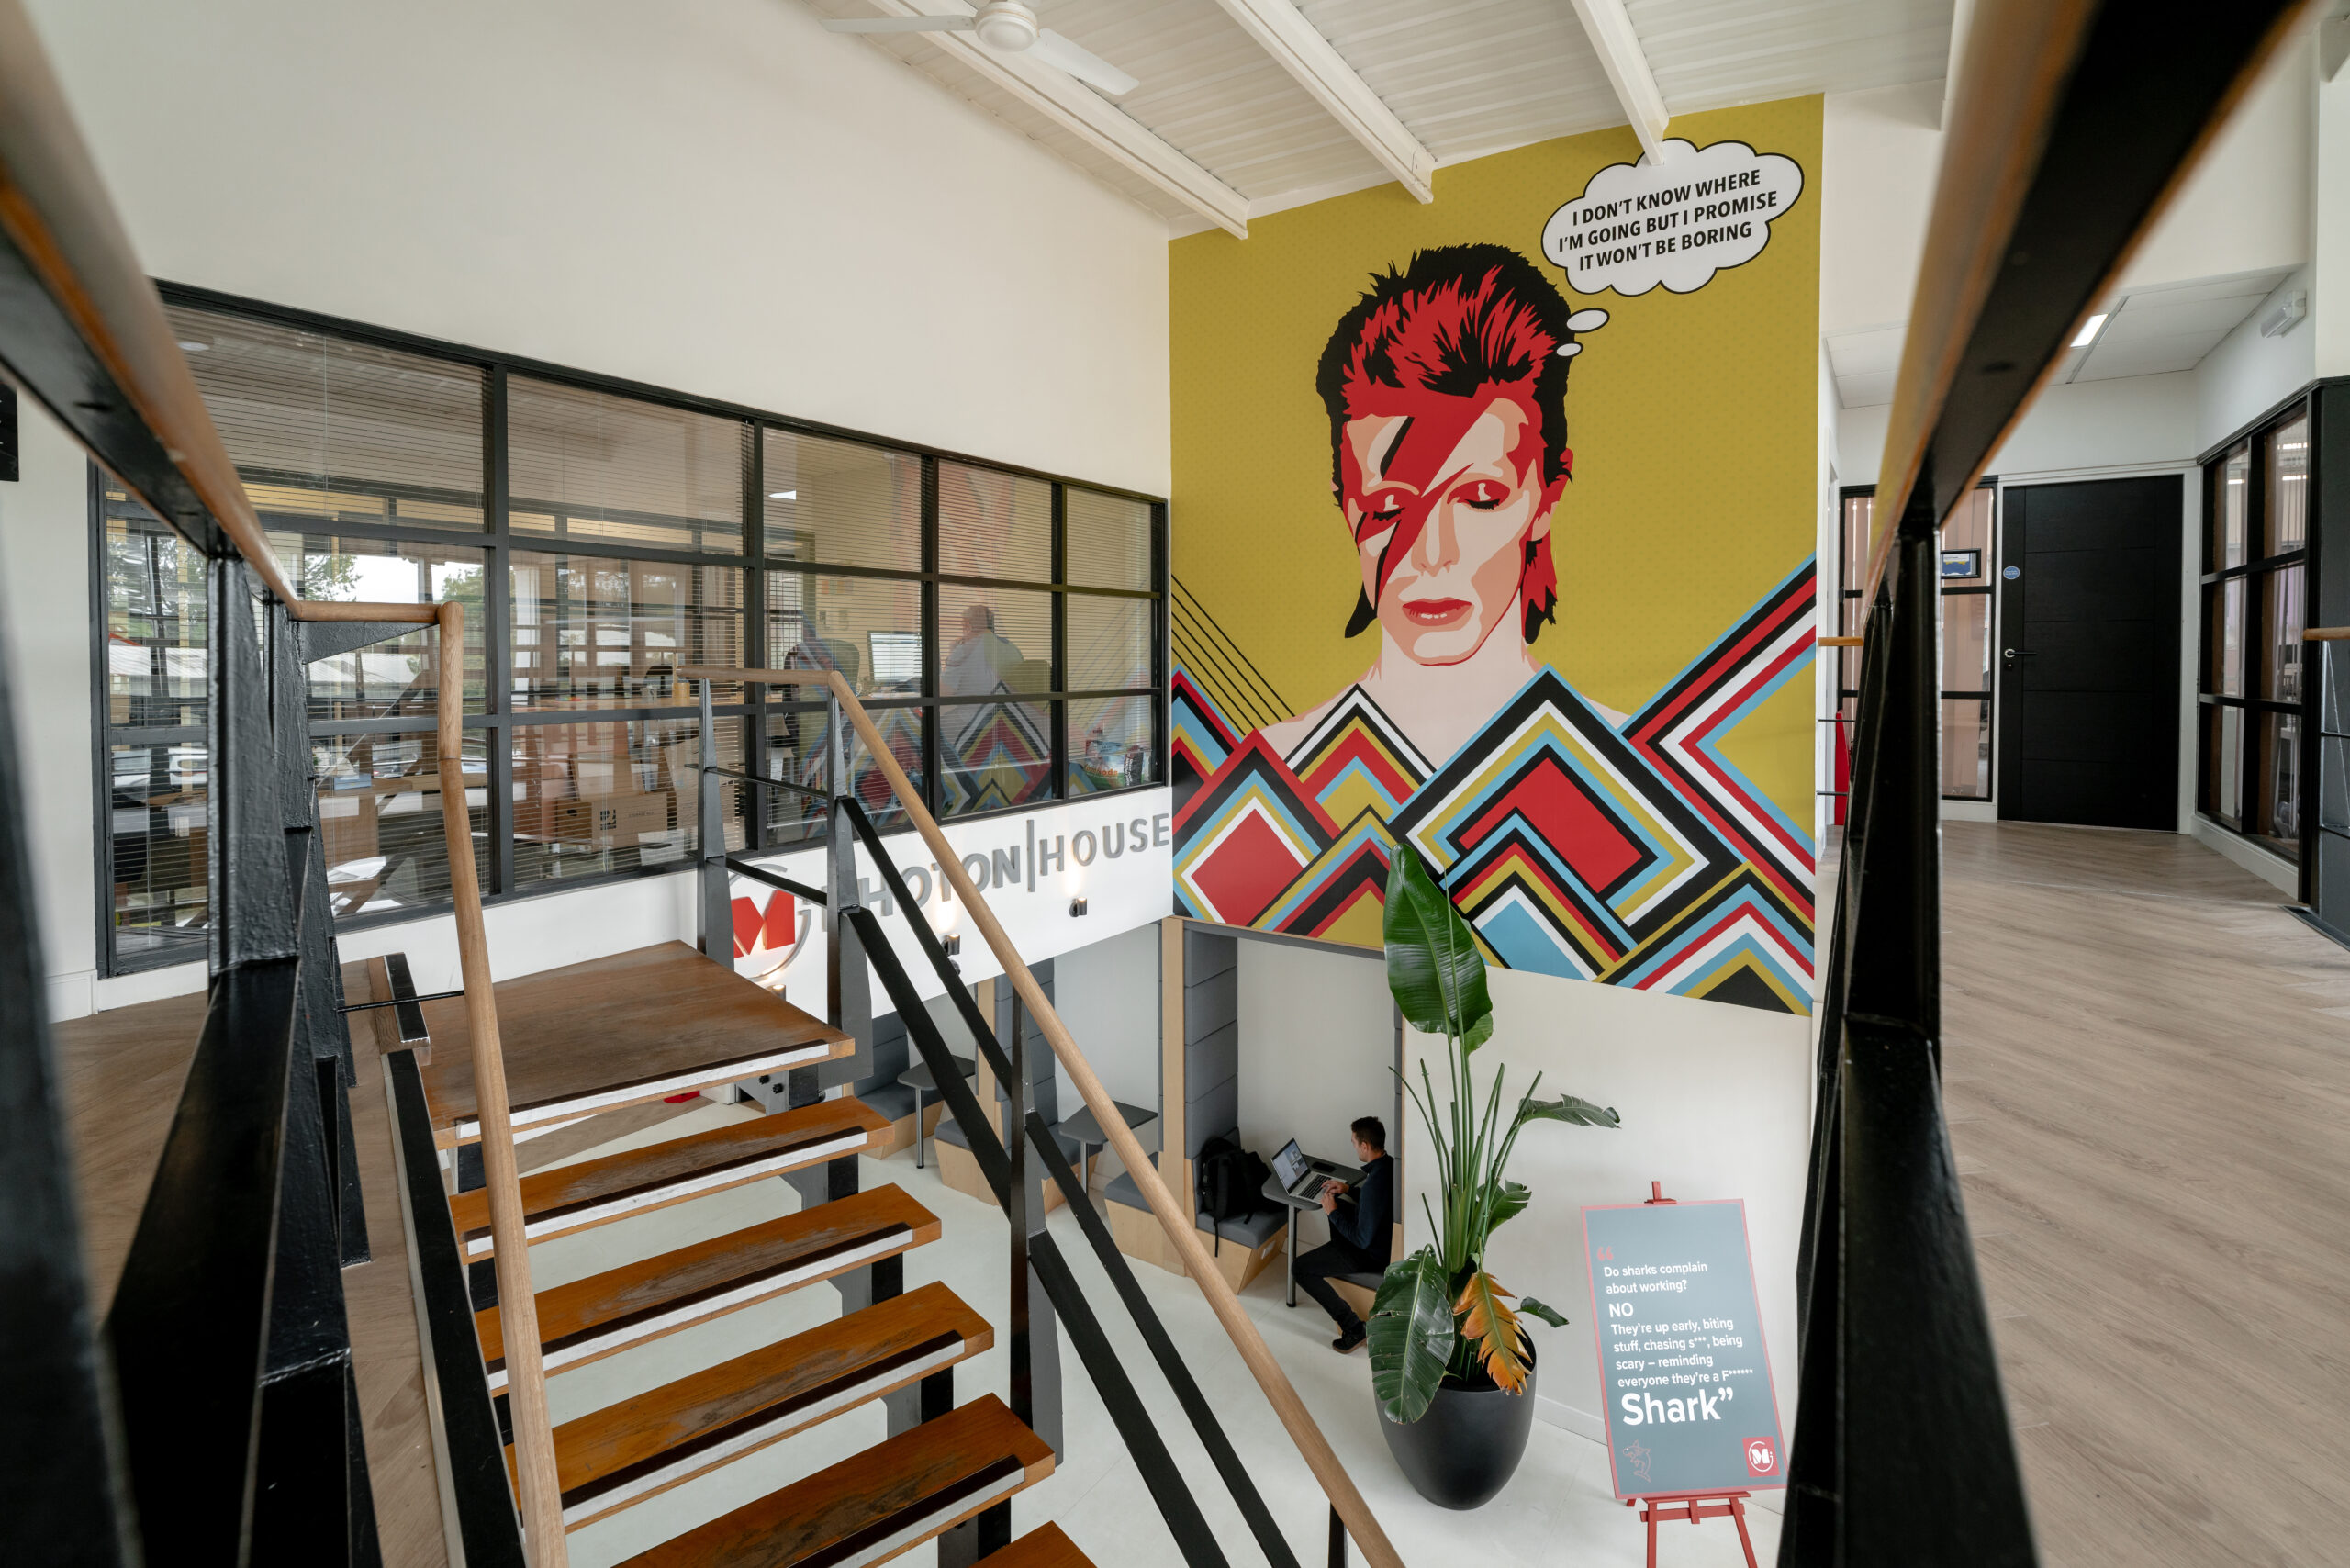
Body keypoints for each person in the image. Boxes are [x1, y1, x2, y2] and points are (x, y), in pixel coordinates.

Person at [1257, 244, 1617, 768]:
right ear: (1346, 507)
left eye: (1480, 498)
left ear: (1546, 499)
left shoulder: (1625, 768)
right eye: (1388, 506)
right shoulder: (1279, 763)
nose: (1431, 554)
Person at [1294, 1116, 1395, 1354]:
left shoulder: (1373, 1184)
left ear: (1365, 1146)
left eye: (1354, 1142)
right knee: (1338, 1202)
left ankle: (1354, 1328)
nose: (1353, 1146)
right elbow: (1375, 1204)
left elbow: (1361, 1239)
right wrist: (1348, 1189)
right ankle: (1334, 1256)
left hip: (1370, 1254)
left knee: (1300, 1268)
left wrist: (1332, 1213)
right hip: (1382, 1240)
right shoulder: (1388, 1165)